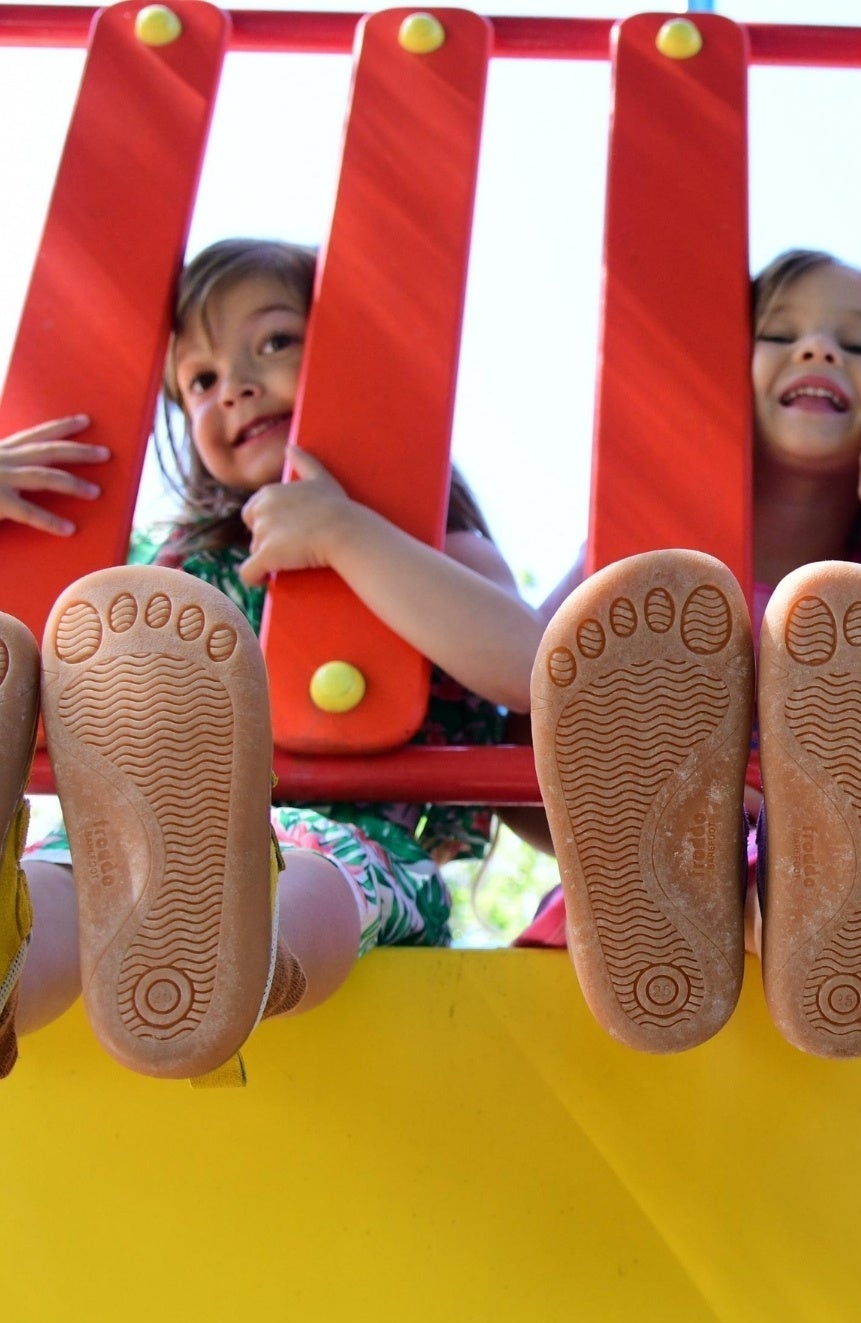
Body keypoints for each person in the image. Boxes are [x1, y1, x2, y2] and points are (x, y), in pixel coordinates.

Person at [0, 237, 543, 1080]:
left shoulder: (429, 547)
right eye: (201, 380)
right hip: (130, 834)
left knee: (321, 876)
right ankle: (8, 984)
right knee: (67, 882)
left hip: (354, 836)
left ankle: (232, 973)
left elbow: (532, 669)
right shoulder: (163, 567)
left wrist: (345, 533)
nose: (236, 387)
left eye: (276, 342)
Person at [523, 249, 861, 1060]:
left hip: (819, 896)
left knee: (804, 863)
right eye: (782, 332)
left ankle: (808, 937)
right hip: (629, 916)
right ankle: (734, 915)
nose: (820, 351)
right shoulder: (646, 560)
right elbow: (558, 707)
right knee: (698, 853)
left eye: (859, 343)